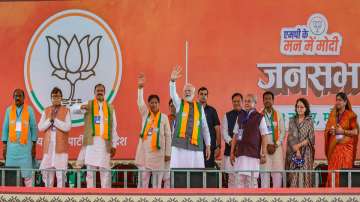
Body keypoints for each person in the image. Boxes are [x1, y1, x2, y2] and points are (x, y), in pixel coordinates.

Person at [73, 83, 119, 188]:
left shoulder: (110, 108)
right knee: (90, 172)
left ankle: (106, 196)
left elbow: (114, 128)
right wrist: (81, 106)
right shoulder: (89, 104)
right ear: (94, 92)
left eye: (101, 90)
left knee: (105, 172)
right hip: (91, 144)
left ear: (104, 93)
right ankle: (91, 194)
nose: (99, 92)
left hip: (105, 144)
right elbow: (73, 110)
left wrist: (114, 145)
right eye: (97, 90)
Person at [169, 65, 211, 168]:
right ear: (182, 93)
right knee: (179, 174)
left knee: (195, 176)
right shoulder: (179, 104)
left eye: (189, 91)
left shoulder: (199, 107)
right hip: (180, 147)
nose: (187, 92)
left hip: (195, 146)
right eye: (185, 91)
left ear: (193, 94)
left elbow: (205, 128)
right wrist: (172, 81)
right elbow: (173, 95)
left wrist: (208, 145)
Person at [135, 73, 171, 188]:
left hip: (159, 155)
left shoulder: (164, 117)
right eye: (151, 102)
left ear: (159, 104)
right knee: (143, 184)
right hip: (145, 154)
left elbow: (168, 136)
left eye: (156, 102)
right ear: (149, 104)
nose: (153, 104)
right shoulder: (146, 114)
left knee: (156, 186)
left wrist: (168, 153)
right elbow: (140, 103)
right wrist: (140, 88)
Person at [230, 94, 269, 188]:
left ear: (255, 103)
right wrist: (231, 152)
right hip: (240, 154)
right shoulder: (240, 116)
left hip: (253, 155)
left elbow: (264, 136)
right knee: (239, 183)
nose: (246, 103)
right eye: (245, 101)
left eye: (249, 101)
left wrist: (264, 153)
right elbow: (235, 135)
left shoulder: (260, 117)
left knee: (251, 184)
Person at [2, 89, 38, 187]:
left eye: (20, 96)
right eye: (16, 96)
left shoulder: (29, 110)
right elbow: (5, 128)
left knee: (27, 175)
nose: (17, 98)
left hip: (25, 149)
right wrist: (4, 146)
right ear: (13, 98)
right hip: (12, 149)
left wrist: (34, 145)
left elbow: (34, 127)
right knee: (11, 174)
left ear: (24, 98)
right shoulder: (9, 110)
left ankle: (29, 196)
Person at [38, 87, 71, 188]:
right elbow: (40, 127)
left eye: (58, 96)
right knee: (47, 174)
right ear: (51, 98)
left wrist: (54, 121)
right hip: (48, 148)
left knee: (60, 175)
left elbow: (67, 127)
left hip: (60, 149)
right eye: (54, 96)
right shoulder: (46, 110)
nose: (56, 98)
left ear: (61, 98)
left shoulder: (66, 110)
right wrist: (49, 120)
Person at [325, 92, 359, 187]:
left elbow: (355, 132)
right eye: (336, 100)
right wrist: (330, 131)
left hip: (346, 150)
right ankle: (332, 195)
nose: (337, 102)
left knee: (344, 173)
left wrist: (342, 131)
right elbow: (327, 129)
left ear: (345, 102)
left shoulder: (350, 115)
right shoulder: (333, 115)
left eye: (340, 100)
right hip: (334, 149)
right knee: (332, 172)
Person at [285, 98, 315, 188]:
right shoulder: (292, 120)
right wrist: (297, 150)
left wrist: (299, 145)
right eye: (297, 107)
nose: (299, 109)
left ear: (306, 108)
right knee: (293, 176)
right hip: (293, 152)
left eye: (301, 107)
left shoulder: (309, 121)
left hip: (306, 153)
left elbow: (311, 138)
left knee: (304, 175)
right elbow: (290, 137)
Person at [260, 91, 286, 188]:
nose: (267, 101)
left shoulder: (278, 114)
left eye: (269, 99)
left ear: (273, 101)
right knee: (264, 175)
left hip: (276, 148)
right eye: (265, 99)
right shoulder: (259, 115)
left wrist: (277, 144)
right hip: (264, 149)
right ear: (263, 101)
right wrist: (264, 147)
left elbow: (283, 131)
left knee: (277, 175)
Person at [221, 92, 244, 188]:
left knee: (241, 178)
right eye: (234, 101)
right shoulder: (227, 115)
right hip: (229, 150)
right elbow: (224, 132)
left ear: (242, 102)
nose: (236, 103)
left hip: (242, 152)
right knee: (231, 178)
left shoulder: (246, 115)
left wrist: (239, 144)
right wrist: (232, 142)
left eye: (238, 101)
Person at [198, 87, 221, 168]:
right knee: (196, 172)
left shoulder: (212, 111)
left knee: (208, 171)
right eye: (201, 94)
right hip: (196, 147)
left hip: (209, 147)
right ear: (198, 95)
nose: (203, 96)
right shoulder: (194, 110)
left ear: (207, 96)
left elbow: (217, 129)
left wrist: (218, 147)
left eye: (205, 94)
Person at [162, 99, 176, 188]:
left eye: (174, 106)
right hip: (168, 152)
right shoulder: (165, 119)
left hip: (179, 152)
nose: (173, 108)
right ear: (169, 107)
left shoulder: (183, 120)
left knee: (177, 176)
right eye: (171, 106)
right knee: (166, 177)